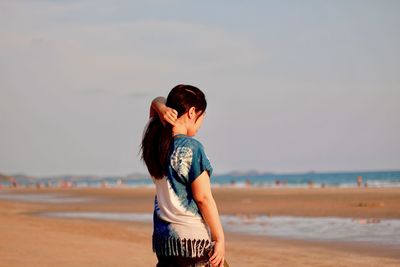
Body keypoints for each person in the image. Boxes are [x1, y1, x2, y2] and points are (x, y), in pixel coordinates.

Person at [140, 84, 226, 267]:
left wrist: (161, 107)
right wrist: (220, 238)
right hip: (192, 242)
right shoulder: (192, 147)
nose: (202, 123)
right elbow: (203, 198)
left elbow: (155, 105)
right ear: (193, 112)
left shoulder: (154, 144)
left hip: (164, 242)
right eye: (203, 117)